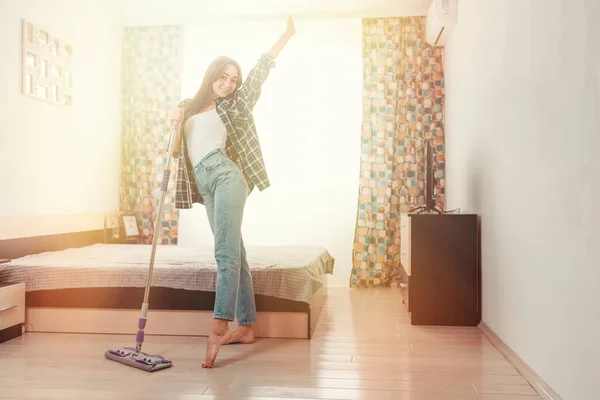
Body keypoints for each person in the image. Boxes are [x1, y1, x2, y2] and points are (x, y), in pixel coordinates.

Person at [169, 17, 296, 368]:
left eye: (233, 80)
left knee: (224, 256)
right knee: (236, 253)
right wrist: (175, 118)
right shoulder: (189, 107)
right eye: (223, 77)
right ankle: (247, 326)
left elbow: (260, 70)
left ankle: (218, 328)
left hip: (226, 175)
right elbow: (176, 146)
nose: (228, 84)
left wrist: (285, 35)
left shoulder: (236, 104)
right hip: (206, 185)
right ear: (211, 75)